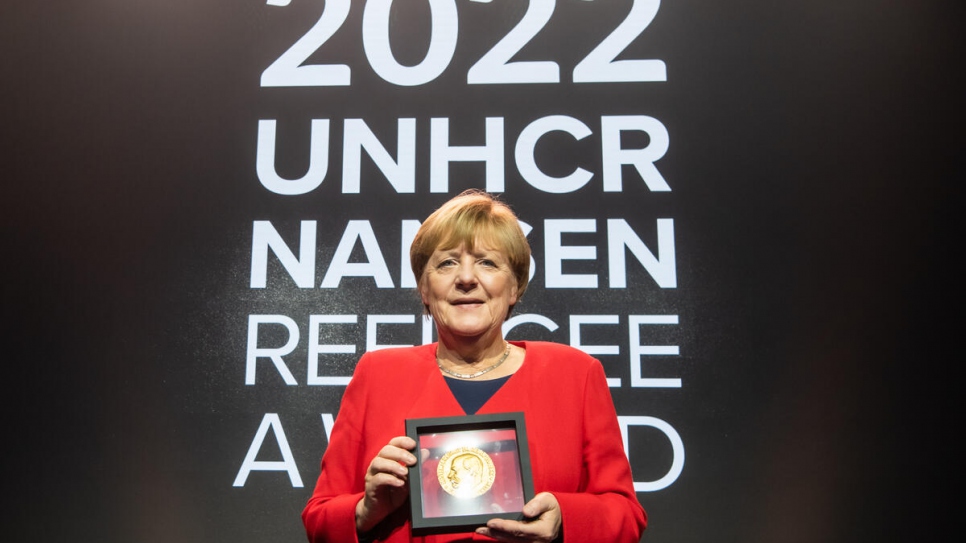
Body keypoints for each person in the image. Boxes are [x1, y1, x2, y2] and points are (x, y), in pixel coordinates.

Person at [302, 190, 646, 542]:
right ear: (424, 287)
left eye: (487, 262)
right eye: (447, 263)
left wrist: (564, 518)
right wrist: (365, 509)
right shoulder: (378, 374)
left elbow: (625, 515)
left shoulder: (574, 374)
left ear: (515, 287)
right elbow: (319, 518)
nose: (466, 278)